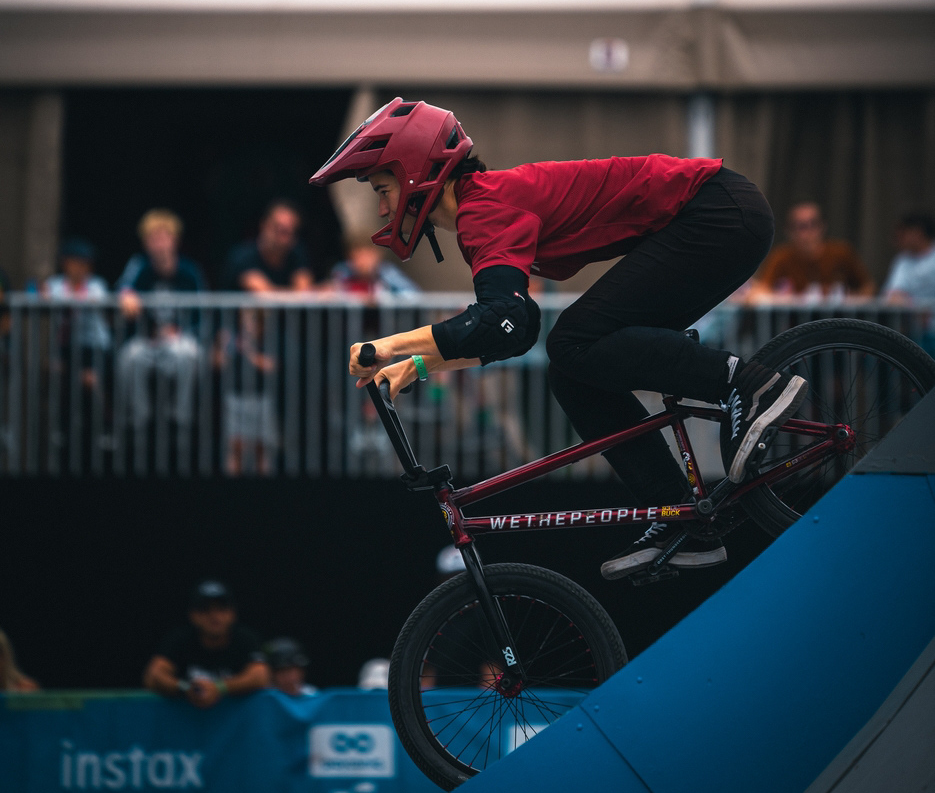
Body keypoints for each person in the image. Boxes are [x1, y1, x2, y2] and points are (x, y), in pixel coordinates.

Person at [309, 98, 808, 581]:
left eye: (383, 189)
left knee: (572, 340)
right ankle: (684, 521)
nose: (381, 208)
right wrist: (419, 365)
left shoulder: (485, 207)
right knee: (570, 372)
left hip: (716, 211)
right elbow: (516, 329)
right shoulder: (481, 210)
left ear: (415, 173)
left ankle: (750, 384)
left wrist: (389, 346)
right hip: (720, 217)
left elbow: (501, 317)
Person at [116, 211, 206, 446]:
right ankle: (138, 421)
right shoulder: (139, 266)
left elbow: (201, 314)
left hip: (179, 339)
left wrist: (181, 332)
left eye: (163, 237)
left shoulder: (189, 270)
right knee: (129, 356)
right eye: (152, 238)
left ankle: (180, 420)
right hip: (147, 340)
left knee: (189, 353)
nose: (158, 244)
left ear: (174, 240)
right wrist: (126, 294)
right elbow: (123, 288)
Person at [143, 581, 269, 708]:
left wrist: (219, 687)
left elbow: (260, 676)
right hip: (188, 717)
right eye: (205, 609)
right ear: (193, 615)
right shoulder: (179, 639)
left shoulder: (245, 639)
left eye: (221, 609)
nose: (214, 616)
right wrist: (186, 688)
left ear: (232, 613)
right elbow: (153, 676)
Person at [747, 201, 873, 301]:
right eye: (800, 227)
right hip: (797, 324)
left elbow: (868, 287)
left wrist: (850, 300)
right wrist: (790, 300)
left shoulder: (841, 252)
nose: (806, 234)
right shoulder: (781, 256)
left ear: (822, 227)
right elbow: (761, 291)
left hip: (838, 322)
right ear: (788, 231)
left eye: (813, 224)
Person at [43, 239, 111, 386]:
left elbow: (96, 298)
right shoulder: (55, 284)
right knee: (54, 371)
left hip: (93, 346)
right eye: (75, 262)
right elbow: (44, 296)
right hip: (65, 344)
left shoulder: (96, 285)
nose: (80, 268)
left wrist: (69, 299)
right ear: (65, 263)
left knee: (89, 381)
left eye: (84, 263)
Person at [222, 201, 314, 293]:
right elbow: (265, 294)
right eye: (278, 228)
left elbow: (304, 291)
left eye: (289, 231)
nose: (283, 238)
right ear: (264, 225)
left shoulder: (297, 254)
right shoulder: (243, 257)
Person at [327, 232, 421, 298]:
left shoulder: (388, 272)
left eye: (367, 256)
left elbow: (413, 294)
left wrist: (382, 299)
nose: (363, 261)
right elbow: (331, 292)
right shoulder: (342, 272)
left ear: (377, 255)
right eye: (358, 256)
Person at [882, 213, 935, 304]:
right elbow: (893, 292)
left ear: (917, 232)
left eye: (903, 234)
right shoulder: (902, 260)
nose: (898, 238)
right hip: (910, 313)